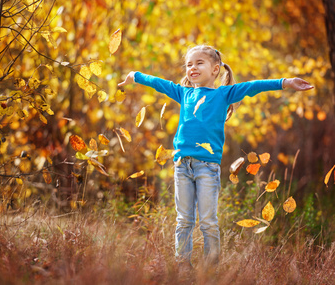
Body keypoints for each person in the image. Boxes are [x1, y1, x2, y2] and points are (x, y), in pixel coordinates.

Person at [117, 45, 314, 267]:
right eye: (189, 64)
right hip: (182, 166)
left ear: (215, 69)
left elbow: (253, 86)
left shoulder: (223, 94)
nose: (192, 68)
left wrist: (285, 82)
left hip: (207, 168)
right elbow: (158, 83)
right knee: (184, 221)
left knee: (208, 222)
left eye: (199, 63)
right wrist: (134, 76)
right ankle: (183, 269)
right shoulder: (184, 93)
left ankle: (211, 271)